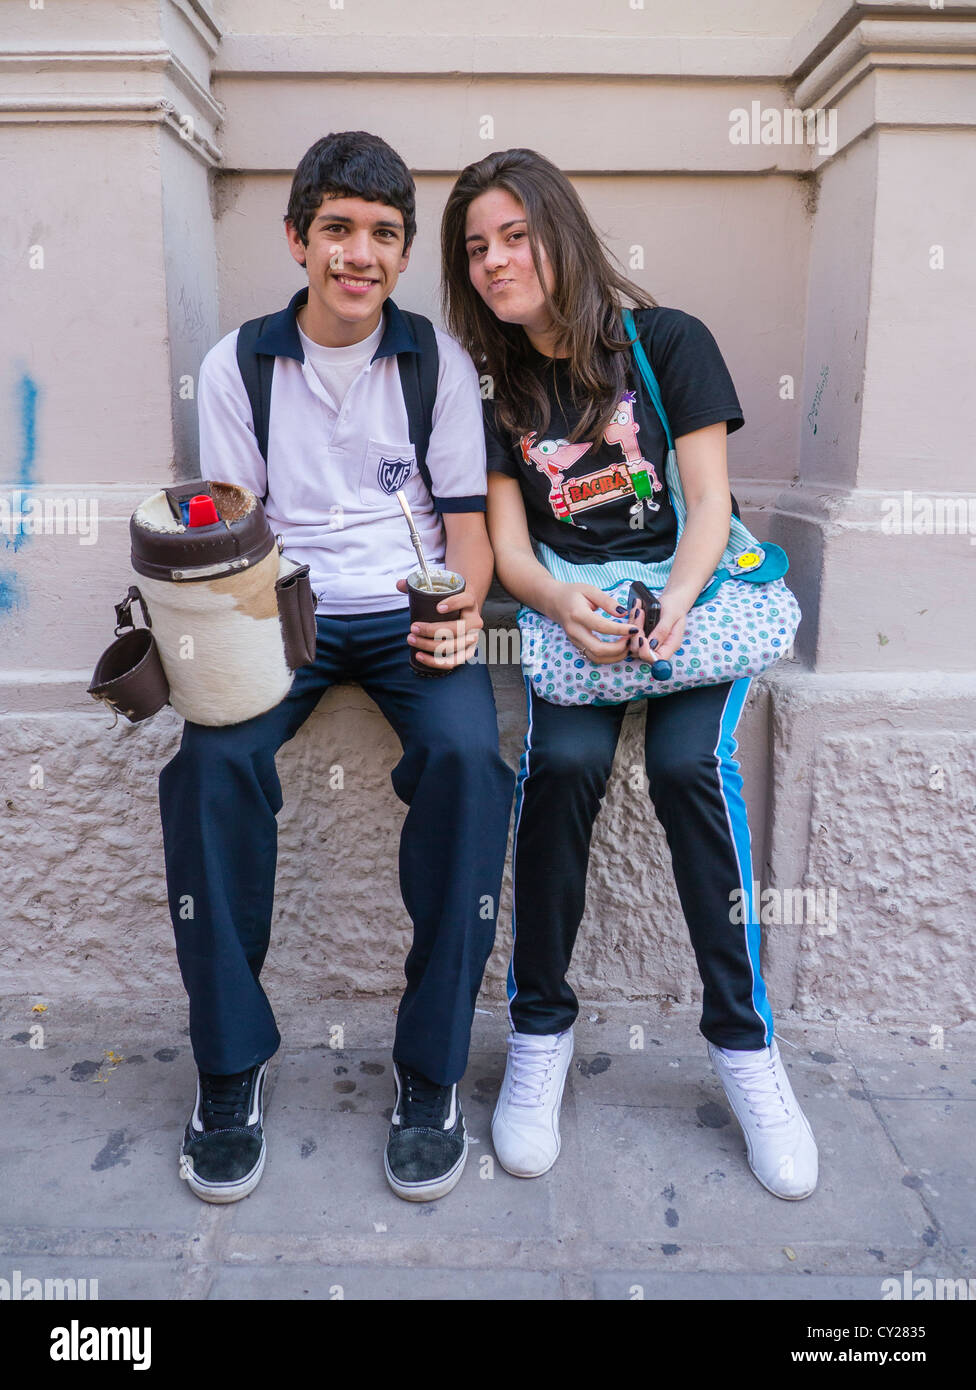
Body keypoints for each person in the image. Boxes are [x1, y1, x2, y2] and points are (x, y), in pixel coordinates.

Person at [440, 147, 818, 1200]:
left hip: (689, 600)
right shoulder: (493, 391)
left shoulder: (666, 342)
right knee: (558, 772)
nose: (494, 261)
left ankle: (747, 1053)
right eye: (475, 248)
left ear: (559, 232)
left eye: (514, 235)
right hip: (576, 613)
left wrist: (677, 607)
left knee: (690, 772)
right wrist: (564, 606)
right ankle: (538, 1036)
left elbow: (707, 505)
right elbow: (511, 552)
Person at [158, 131, 514, 1205]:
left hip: (412, 605)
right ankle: (228, 1067)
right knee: (208, 765)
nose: (359, 255)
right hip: (283, 608)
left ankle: (429, 1069)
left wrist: (459, 609)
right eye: (338, 231)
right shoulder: (239, 363)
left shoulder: (437, 361)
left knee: (468, 759)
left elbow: (464, 520)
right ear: (299, 239)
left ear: (403, 255)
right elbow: (233, 527)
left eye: (383, 236)